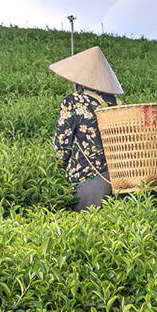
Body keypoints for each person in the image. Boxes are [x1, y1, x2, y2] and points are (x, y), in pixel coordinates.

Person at [49, 46, 124, 211]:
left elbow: (62, 145)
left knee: (87, 231)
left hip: (87, 178)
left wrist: (55, 171)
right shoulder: (116, 103)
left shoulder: (74, 101)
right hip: (119, 178)